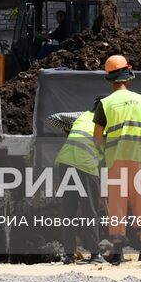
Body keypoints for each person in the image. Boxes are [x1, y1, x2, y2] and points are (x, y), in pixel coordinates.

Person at [91, 54, 141, 264]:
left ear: (110, 80)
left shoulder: (105, 103)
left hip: (116, 160)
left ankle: (118, 253)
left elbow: (97, 138)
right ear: (128, 77)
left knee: (117, 204)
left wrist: (108, 149)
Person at [53, 110, 102, 264]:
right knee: (90, 211)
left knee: (69, 211)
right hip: (85, 165)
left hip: (66, 162)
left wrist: (68, 131)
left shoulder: (82, 115)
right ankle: (95, 254)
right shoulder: (108, 119)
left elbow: (54, 117)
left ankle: (69, 255)